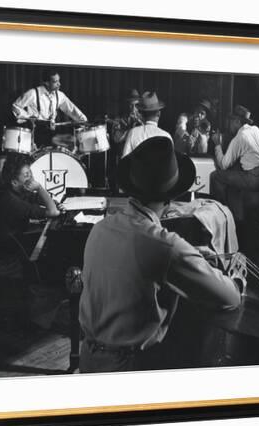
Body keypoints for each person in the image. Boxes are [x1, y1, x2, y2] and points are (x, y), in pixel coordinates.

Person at [78, 136, 244, 373]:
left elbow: (133, 262)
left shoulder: (99, 229)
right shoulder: (165, 247)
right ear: (172, 197)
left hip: (89, 362)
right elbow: (230, 298)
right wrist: (236, 278)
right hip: (127, 371)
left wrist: (192, 254)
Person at [209, 105, 259, 220]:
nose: (229, 125)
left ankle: (223, 215)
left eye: (230, 122)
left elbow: (223, 165)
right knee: (235, 177)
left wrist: (217, 143)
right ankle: (237, 216)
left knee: (215, 176)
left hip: (254, 178)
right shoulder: (256, 129)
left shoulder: (240, 136)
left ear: (237, 121)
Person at [12, 68, 88, 146]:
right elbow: (15, 106)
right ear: (47, 83)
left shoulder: (59, 95)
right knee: (64, 142)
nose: (59, 84)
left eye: (59, 80)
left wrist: (83, 121)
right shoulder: (33, 93)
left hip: (51, 132)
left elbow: (72, 109)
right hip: (36, 133)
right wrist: (29, 117)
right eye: (55, 82)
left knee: (74, 140)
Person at [121, 91, 172, 158]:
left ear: (141, 114)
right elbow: (172, 167)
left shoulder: (133, 133)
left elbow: (125, 161)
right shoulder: (167, 137)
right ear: (159, 114)